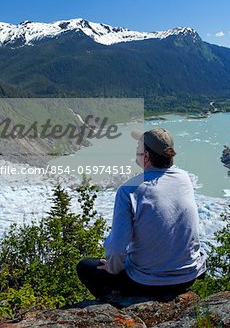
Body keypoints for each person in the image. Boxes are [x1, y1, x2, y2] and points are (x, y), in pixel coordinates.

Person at [77, 127, 206, 299]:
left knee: (85, 266)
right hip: (188, 276)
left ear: (146, 156)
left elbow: (116, 249)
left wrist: (112, 268)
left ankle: (114, 303)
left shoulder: (129, 190)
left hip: (147, 282)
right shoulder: (184, 178)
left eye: (138, 146)